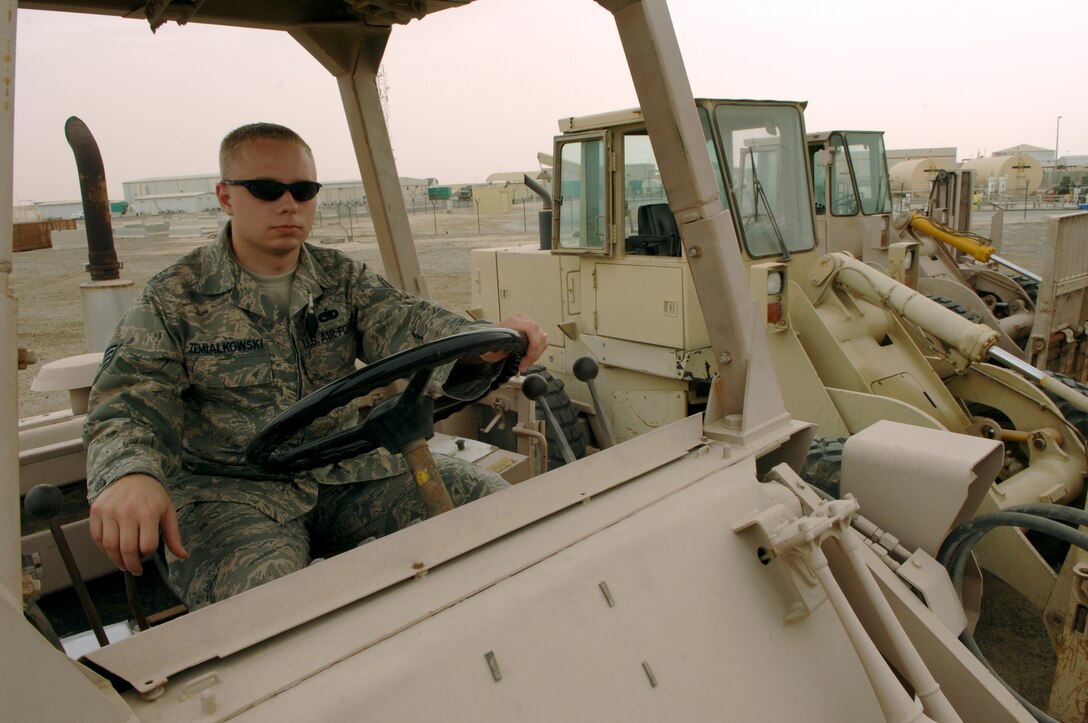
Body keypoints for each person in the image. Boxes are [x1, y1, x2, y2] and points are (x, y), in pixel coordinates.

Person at [83, 122, 547, 608]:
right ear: (225, 197)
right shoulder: (175, 296)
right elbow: (127, 400)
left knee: (493, 506)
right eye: (267, 190)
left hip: (350, 473)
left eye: (303, 191)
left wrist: (482, 341)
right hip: (232, 496)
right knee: (274, 608)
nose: (289, 204)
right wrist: (130, 473)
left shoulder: (341, 278)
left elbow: (408, 321)